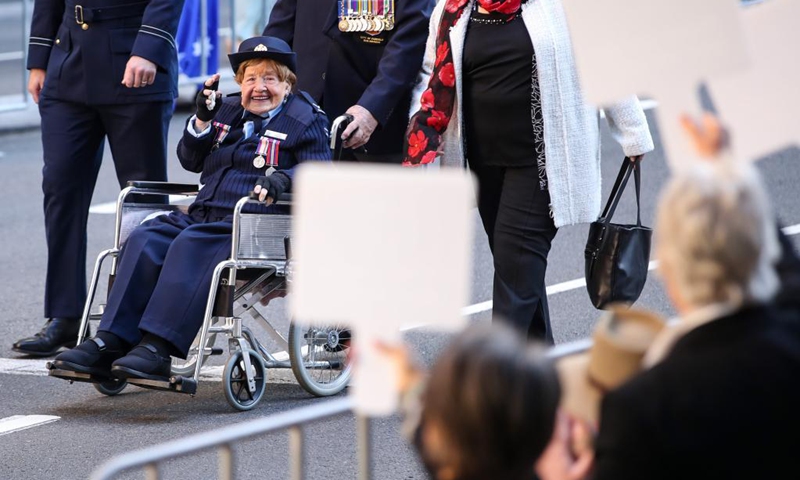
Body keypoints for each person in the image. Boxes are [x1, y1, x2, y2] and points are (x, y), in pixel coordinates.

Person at [49, 36, 330, 383]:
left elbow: (320, 175)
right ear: (240, 83)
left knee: (191, 243)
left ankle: (157, 346)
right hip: (205, 215)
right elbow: (190, 159)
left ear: (287, 83)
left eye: (270, 78)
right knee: (148, 236)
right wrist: (201, 122)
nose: (260, 87)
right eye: (251, 78)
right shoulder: (225, 110)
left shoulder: (306, 118)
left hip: (255, 227)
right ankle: (111, 340)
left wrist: (284, 180)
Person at [404, 0, 654, 344]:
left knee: (515, 273)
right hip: (484, 165)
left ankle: (491, 380)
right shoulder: (453, 9)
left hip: (543, 165)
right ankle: (543, 372)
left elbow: (602, 56)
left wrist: (633, 131)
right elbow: (432, 73)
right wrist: (419, 126)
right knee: (519, 274)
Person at [591, 114, 800, 480]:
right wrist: (726, 170)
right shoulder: (791, 334)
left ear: (669, 272)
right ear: (758, 250)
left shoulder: (639, 410)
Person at [13, 0, 184, 357]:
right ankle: (66, 315)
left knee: (142, 202)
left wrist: (149, 47)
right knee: (60, 188)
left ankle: (136, 323)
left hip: (134, 62)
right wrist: (39, 58)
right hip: (68, 65)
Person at [263, 0, 435, 162]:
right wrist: (262, 80)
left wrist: (371, 109)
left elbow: (406, 49)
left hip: (369, 128)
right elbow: (280, 31)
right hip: (300, 120)